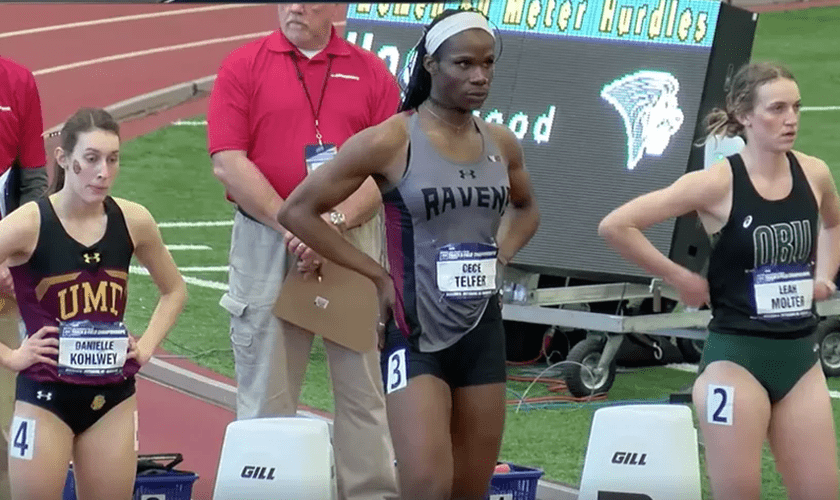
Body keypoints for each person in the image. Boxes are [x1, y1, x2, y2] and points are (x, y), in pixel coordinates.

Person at [279, 9, 541, 499]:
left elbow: (527, 211)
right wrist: (377, 278)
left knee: (470, 488)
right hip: (415, 334)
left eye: (487, 64)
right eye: (463, 64)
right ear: (429, 65)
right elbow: (298, 212)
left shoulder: (501, 143)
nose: (479, 76)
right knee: (426, 484)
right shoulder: (392, 140)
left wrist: (499, 256)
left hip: (482, 332)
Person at [599, 62, 840, 499]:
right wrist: (680, 278)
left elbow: (833, 224)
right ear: (745, 116)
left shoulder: (814, 173)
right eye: (777, 109)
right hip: (736, 362)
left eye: (796, 108)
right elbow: (616, 225)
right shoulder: (717, 183)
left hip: (800, 359)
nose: (791, 119)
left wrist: (824, 275)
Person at [206, 4, 401, 499]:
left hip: (350, 237)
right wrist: (294, 224)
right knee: (267, 388)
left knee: (362, 392)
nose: (294, 7)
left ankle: (371, 494)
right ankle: (265, 491)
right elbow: (228, 161)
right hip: (268, 238)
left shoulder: (371, 70)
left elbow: (391, 166)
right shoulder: (243, 65)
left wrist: (330, 223)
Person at [0, 107, 187, 500]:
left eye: (113, 159)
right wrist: (11, 356)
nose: (104, 171)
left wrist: (147, 346)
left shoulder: (134, 221)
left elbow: (174, 290)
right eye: (91, 159)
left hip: (114, 397)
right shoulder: (27, 224)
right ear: (64, 159)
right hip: (44, 397)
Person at [0, 55, 50, 496]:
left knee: (14, 417)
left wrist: (16, 252)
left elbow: (34, 182)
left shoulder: (17, 80)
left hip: (4, 276)